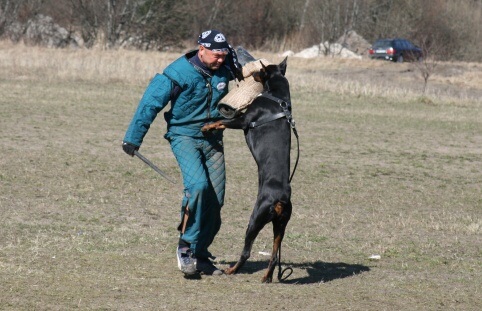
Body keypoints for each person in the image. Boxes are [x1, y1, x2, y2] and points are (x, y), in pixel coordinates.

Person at [122, 30, 241, 276]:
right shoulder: (176, 73)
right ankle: (185, 247)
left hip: (214, 138)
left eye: (224, 55)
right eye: (217, 55)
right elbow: (150, 103)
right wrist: (133, 138)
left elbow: (252, 67)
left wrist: (240, 60)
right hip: (184, 135)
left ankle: (201, 254)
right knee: (197, 187)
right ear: (202, 50)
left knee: (215, 199)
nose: (221, 60)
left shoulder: (226, 66)